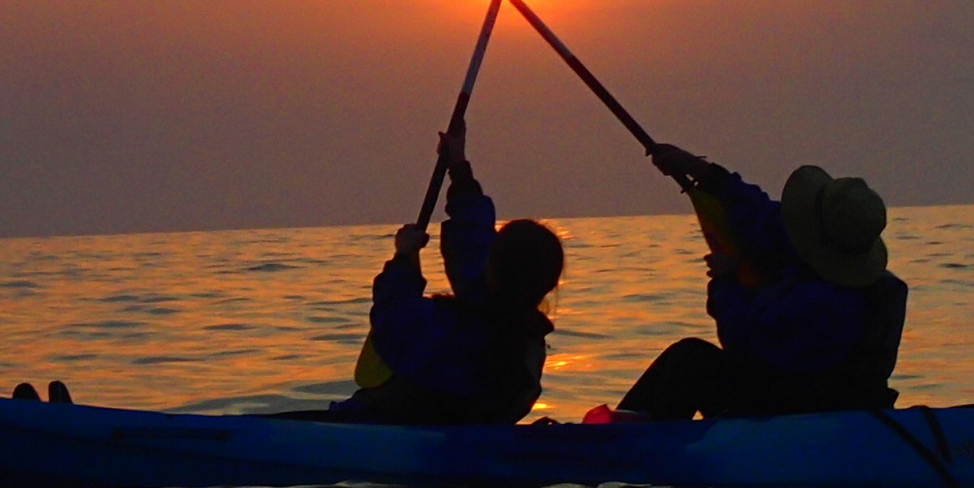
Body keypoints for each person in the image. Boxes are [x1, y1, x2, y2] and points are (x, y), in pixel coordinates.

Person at [615, 143, 906, 420]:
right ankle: (613, 432)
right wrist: (701, 171)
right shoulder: (834, 251)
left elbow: (742, 345)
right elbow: (765, 219)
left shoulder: (826, 305)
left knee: (691, 363)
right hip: (790, 394)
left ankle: (642, 448)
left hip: (793, 413)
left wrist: (727, 282)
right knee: (686, 356)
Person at [313, 130, 564, 424]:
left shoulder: (452, 330)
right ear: (548, 285)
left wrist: (404, 258)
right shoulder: (526, 340)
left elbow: (394, 318)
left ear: (493, 267)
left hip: (402, 431)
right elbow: (473, 245)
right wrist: (458, 168)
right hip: (480, 433)